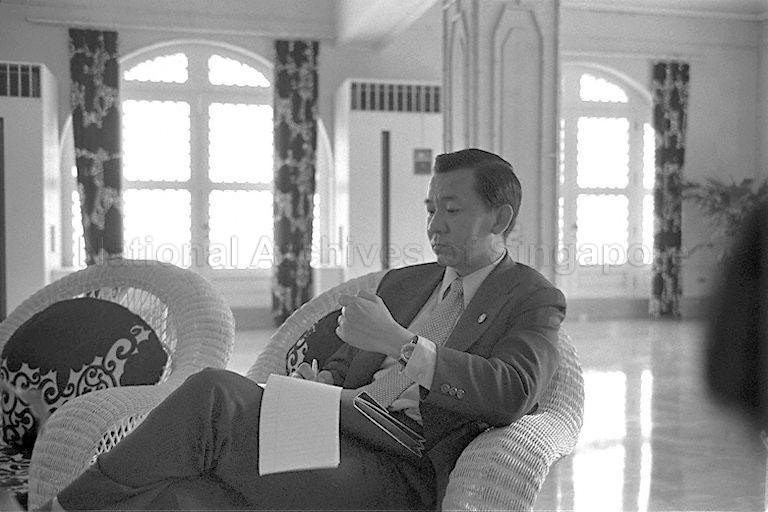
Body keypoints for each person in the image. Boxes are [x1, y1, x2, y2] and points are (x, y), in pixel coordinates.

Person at [7, 148, 566, 511]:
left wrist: (402, 343)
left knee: (214, 394)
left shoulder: (532, 297)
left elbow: (512, 392)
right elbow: (349, 360)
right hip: (336, 426)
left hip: (404, 467)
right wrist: (325, 380)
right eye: (430, 209)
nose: (435, 226)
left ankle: (61, 508)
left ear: (500, 218)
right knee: (188, 494)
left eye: (452, 210)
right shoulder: (406, 282)